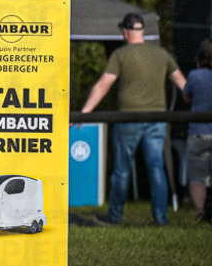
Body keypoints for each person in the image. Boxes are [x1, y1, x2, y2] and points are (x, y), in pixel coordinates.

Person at [80, 13, 187, 225]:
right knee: (156, 168)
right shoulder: (162, 55)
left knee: (122, 169)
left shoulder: (121, 55)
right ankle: (160, 218)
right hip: (158, 119)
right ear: (143, 32)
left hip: (128, 118)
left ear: (126, 32)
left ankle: (115, 216)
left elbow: (104, 85)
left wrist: (84, 113)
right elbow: (183, 85)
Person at [182, 38, 212, 223]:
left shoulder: (194, 75)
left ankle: (200, 210)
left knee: (197, 176)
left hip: (198, 131)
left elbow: (186, 97)